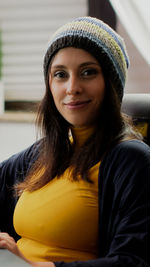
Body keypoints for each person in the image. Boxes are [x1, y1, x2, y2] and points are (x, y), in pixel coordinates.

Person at [0, 16, 150, 267]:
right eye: (60, 74)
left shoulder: (133, 160)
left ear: (111, 83)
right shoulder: (44, 152)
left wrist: (34, 266)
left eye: (88, 72)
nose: (72, 87)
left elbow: (133, 261)